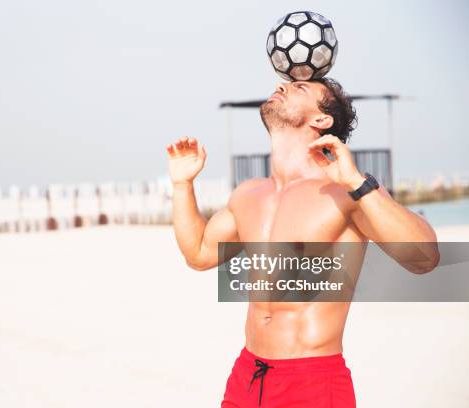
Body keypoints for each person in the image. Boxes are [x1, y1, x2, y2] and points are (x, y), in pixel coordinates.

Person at [166, 78, 439, 407]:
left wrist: (356, 182)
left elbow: (425, 258)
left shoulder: (346, 192)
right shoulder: (248, 194)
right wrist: (182, 185)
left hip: (312, 383)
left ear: (321, 120)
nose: (283, 85)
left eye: (299, 88)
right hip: (248, 376)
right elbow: (198, 254)